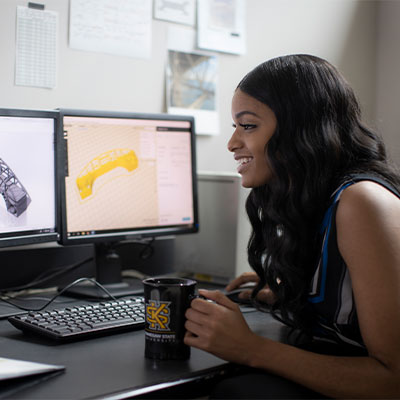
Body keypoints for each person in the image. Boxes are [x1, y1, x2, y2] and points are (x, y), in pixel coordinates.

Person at [184, 54, 400, 399]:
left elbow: (394, 380)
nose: (232, 143)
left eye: (249, 126)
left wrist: (249, 348)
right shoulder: (317, 198)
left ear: (300, 129)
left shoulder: (362, 202)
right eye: (235, 127)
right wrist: (292, 291)